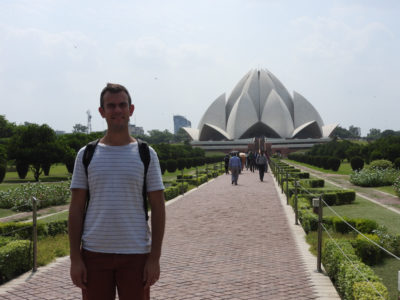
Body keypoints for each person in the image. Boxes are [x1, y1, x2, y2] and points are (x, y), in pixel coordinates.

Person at [69, 83, 166, 300]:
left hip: (136, 254)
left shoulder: (146, 154)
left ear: (131, 109)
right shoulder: (86, 154)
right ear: (102, 112)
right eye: (110, 106)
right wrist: (75, 258)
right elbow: (75, 209)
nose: (117, 110)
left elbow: (159, 208)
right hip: (94, 253)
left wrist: (154, 258)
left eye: (122, 105)